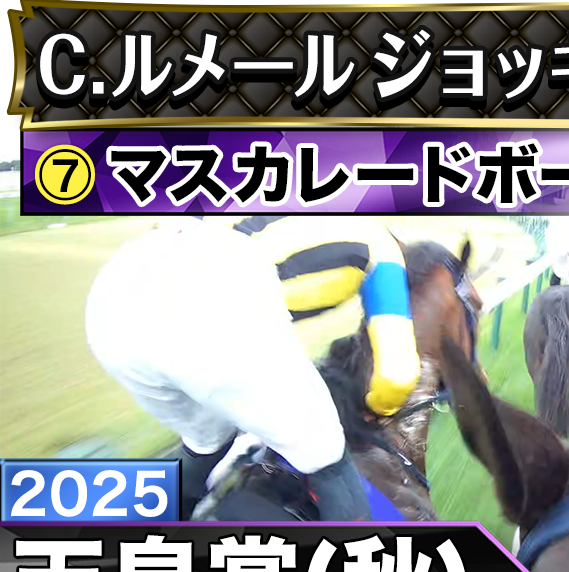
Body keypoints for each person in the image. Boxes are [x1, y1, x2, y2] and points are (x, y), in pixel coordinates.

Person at [84, 215, 425, 521]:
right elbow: (396, 375)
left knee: (206, 440)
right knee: (327, 458)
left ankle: (151, 521)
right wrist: (380, 409)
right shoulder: (384, 250)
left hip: (112, 305)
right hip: (213, 303)